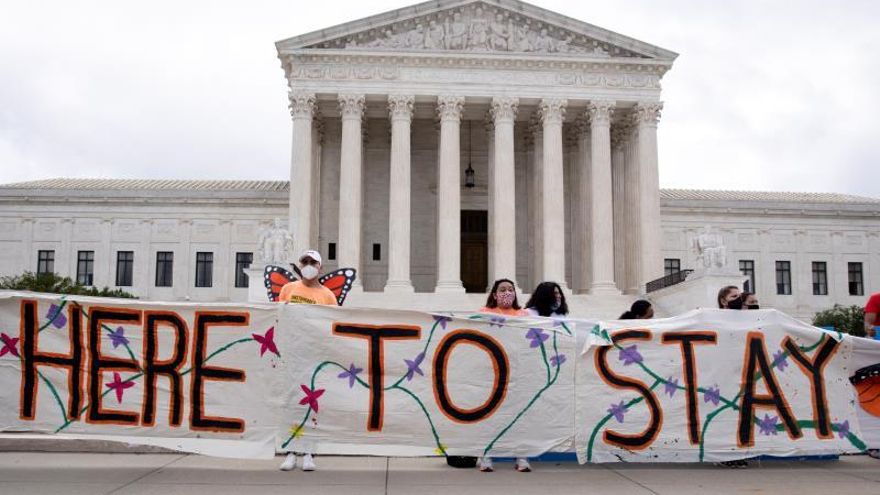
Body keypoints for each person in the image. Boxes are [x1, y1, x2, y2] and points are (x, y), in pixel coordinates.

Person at [279, 249, 337, 472]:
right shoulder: (288, 289)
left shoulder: (328, 295)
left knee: (312, 404)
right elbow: (279, 317)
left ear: (320, 267)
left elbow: (333, 325)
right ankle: (291, 452)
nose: (309, 264)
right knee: (292, 403)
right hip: (292, 352)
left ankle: (309, 452)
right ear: (299, 265)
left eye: (313, 262)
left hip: (315, 353)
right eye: (305, 261)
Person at [475, 279, 530, 472]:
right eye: (502, 289)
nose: (507, 292)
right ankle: (486, 455)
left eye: (510, 289)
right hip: (492, 371)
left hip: (517, 370)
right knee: (489, 414)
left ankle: (521, 456)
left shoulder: (523, 314)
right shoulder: (484, 314)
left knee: (518, 414)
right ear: (494, 294)